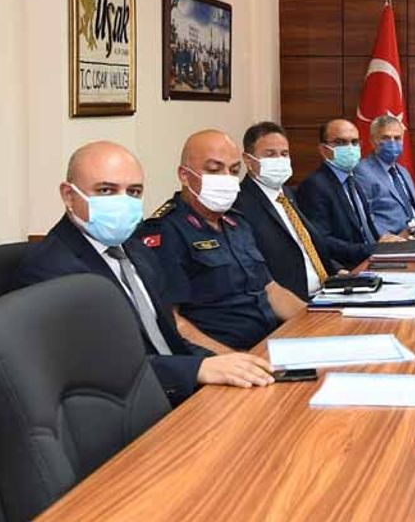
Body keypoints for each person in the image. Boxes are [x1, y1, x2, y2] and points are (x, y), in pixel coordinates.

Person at [17, 141, 275, 405]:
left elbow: (169, 335)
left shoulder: (136, 249)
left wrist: (222, 362)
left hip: (181, 387)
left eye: (134, 191)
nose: (123, 201)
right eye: (106, 190)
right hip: (128, 406)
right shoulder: (51, 268)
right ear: (69, 196)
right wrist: (197, 369)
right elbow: (98, 364)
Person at [140, 129, 307, 353]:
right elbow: (173, 322)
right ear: (184, 175)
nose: (226, 178)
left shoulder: (237, 222)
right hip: (222, 357)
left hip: (270, 343)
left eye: (234, 170)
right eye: (214, 170)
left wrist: (315, 321)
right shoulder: (166, 231)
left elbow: (270, 289)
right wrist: (235, 360)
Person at [234, 121, 347, 301]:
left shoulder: (288, 194)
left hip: (327, 292)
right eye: (270, 154)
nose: (279, 160)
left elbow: (308, 244)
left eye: (284, 154)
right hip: (292, 303)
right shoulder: (240, 205)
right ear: (248, 160)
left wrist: (339, 271)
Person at [297, 118, 404, 262]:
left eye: (354, 142)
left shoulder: (353, 180)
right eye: (340, 142)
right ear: (323, 150)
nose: (349, 148)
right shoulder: (315, 186)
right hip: (348, 265)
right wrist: (372, 249)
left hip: (372, 258)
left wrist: (383, 240)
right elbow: (322, 241)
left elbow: (364, 228)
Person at [354, 114, 415, 235]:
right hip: (390, 239)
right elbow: (363, 217)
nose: (392, 143)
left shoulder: (403, 171)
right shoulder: (362, 171)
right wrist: (382, 237)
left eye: (397, 138)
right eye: (386, 138)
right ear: (373, 141)